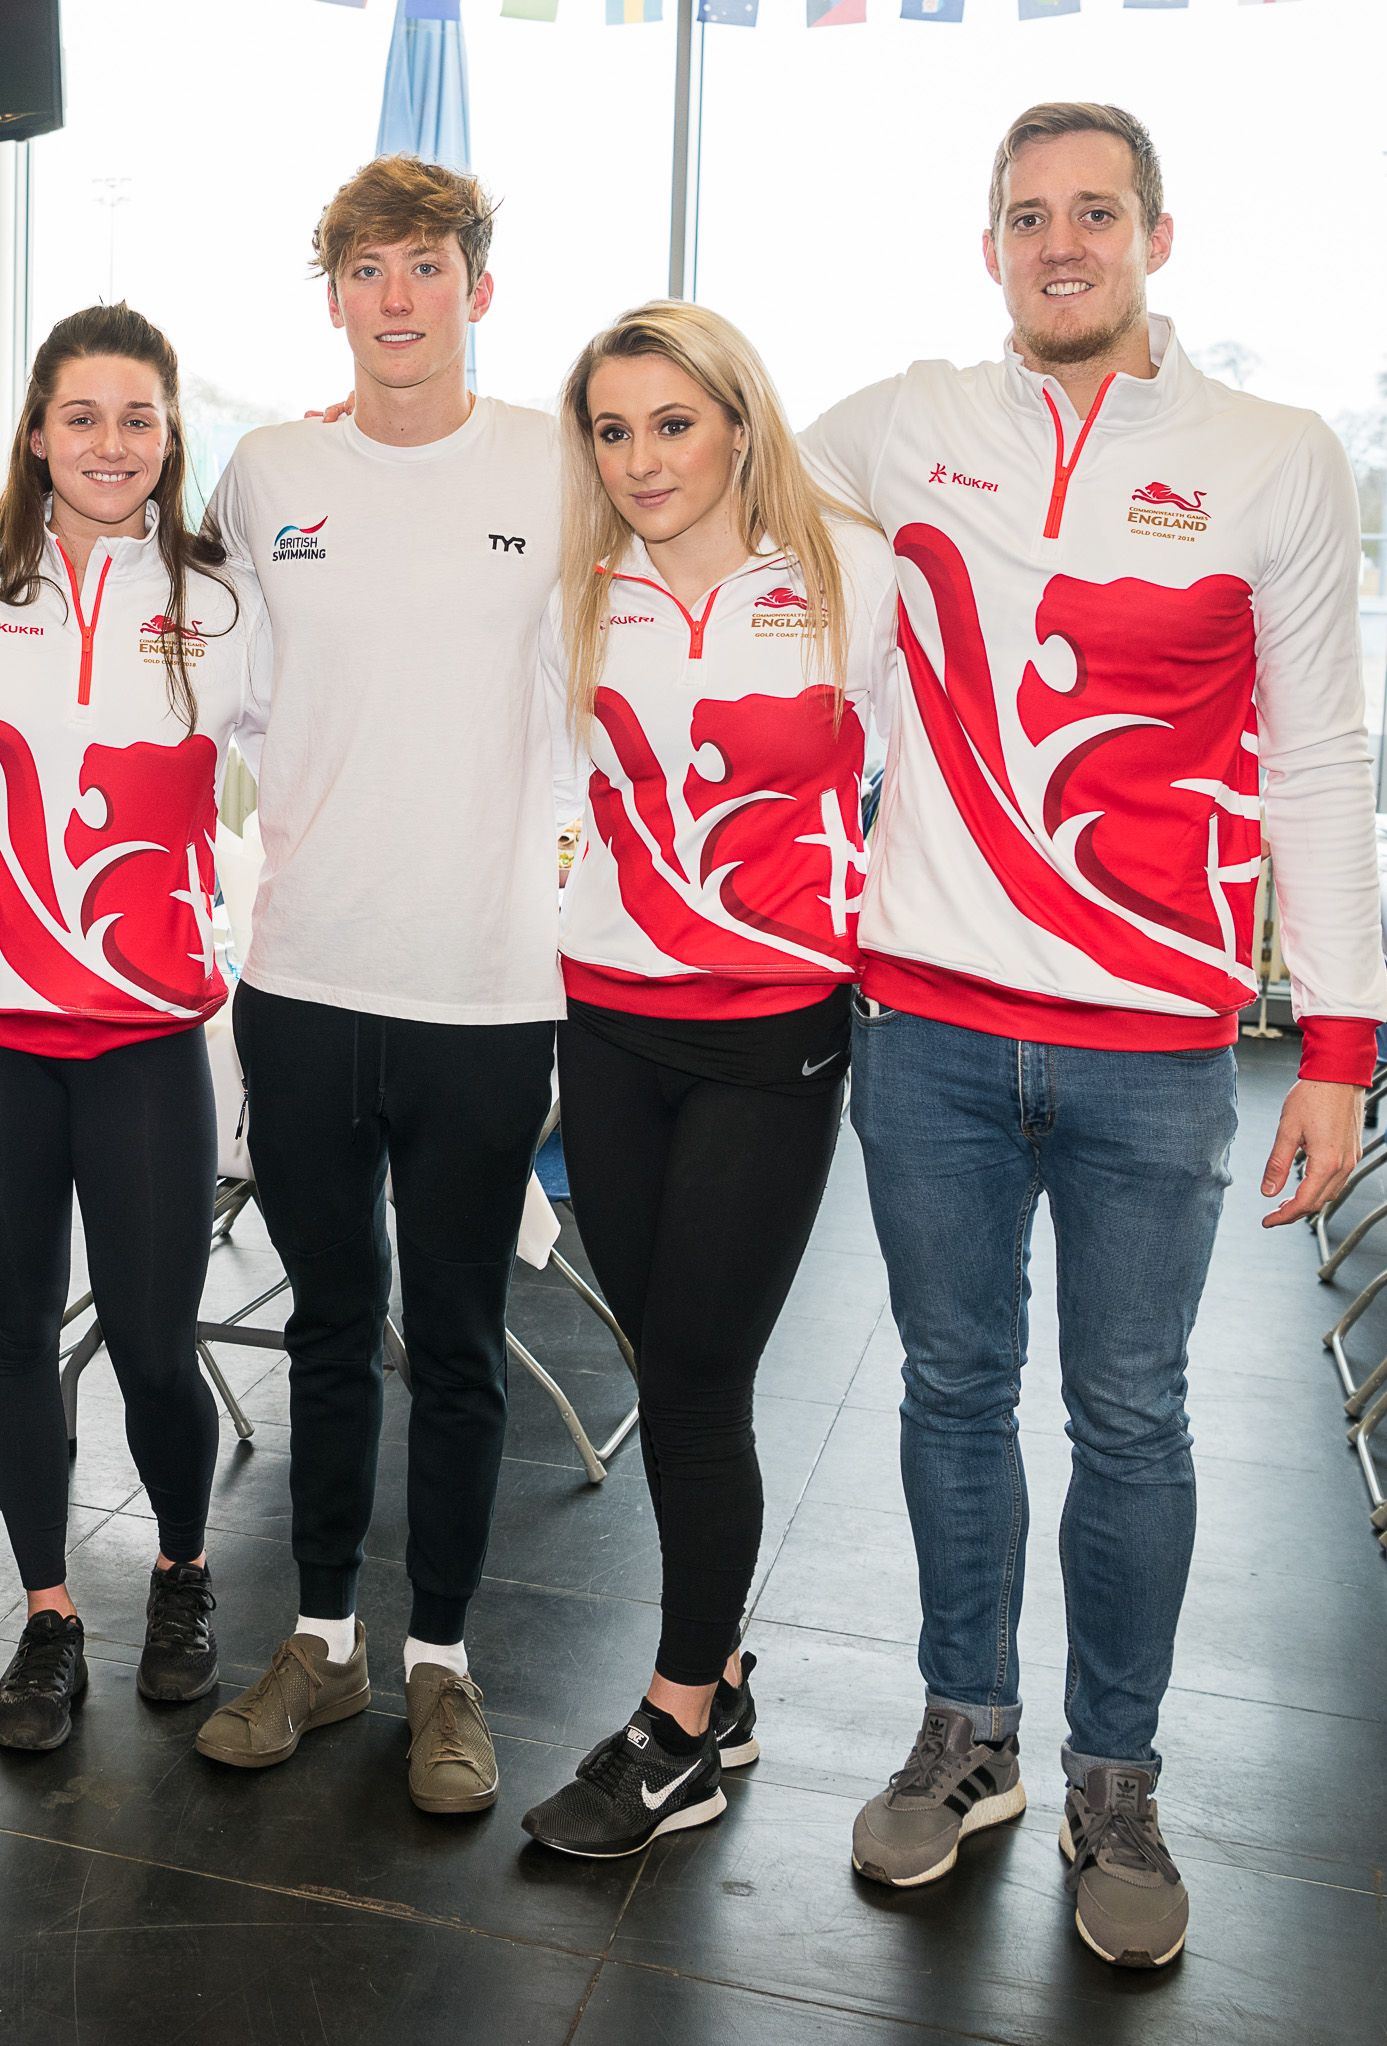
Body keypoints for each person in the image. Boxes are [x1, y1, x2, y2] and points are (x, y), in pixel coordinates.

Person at [798, 102, 1379, 1968]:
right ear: (989, 246)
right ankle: (967, 1734)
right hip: (932, 1036)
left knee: (1132, 1414)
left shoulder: (1273, 457)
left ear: (1156, 236)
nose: (1064, 243)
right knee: (954, 1395)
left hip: (1154, 1046)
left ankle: (1114, 1771)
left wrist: (1348, 1047)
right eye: (1029, 216)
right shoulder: (907, 422)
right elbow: (716, 515)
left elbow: (1318, 756)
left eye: (1097, 213)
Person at [190, 158, 566, 1817]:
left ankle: (446, 1668)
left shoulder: (562, 465)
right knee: (333, 1327)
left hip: (494, 983)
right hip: (308, 974)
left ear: (478, 287)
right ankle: (327, 1639)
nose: (396, 294)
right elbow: (186, 670)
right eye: (365, 267)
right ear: (330, 293)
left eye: (427, 265)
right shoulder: (268, 469)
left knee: (465, 1339)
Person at [0, 303, 264, 1752]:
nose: (110, 443)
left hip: (151, 1034)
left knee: (156, 1342)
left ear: (168, 434)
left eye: (137, 417)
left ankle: (183, 1571)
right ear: (36, 429)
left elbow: (303, 761)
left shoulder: (223, 599)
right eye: (81, 415)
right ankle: (46, 1613)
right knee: (16, 1326)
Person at [507, 303, 894, 1860]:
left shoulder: (846, 577)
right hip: (606, 1030)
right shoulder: (578, 598)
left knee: (697, 1378)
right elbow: (555, 792)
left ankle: (677, 1723)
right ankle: (718, 1669)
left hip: (772, 1035)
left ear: (738, 419)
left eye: (672, 422)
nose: (643, 457)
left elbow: (917, 778)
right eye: (612, 429)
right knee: (660, 1359)